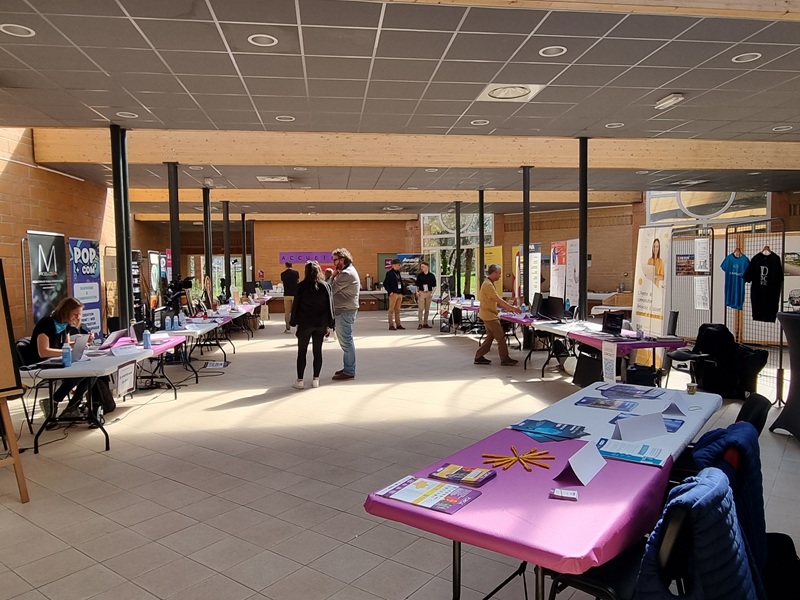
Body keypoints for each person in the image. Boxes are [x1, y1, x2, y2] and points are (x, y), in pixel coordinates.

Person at [28, 297, 94, 420]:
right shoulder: (46, 324)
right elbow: (43, 351)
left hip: (57, 359)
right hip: (42, 362)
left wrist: (82, 342)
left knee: (91, 373)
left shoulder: (65, 325)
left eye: (79, 314)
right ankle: (54, 400)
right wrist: (66, 352)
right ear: (65, 311)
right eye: (75, 314)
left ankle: (72, 407)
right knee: (81, 373)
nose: (77, 317)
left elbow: (66, 346)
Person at [289, 261, 335, 389]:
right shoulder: (326, 286)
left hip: (305, 324)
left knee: (302, 352)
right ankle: (316, 379)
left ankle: (300, 380)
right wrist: (330, 324)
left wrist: (293, 321)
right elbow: (330, 307)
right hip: (320, 324)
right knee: (317, 351)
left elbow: (296, 306)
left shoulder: (301, 286)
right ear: (319, 271)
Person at [474, 264, 521, 366]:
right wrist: (512, 308)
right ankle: (505, 359)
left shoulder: (488, 283)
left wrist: (506, 307)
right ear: (494, 273)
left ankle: (478, 356)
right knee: (500, 337)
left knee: (490, 336)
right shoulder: (488, 285)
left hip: (488, 314)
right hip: (489, 316)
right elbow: (498, 300)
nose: (500, 276)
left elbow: (494, 300)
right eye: (499, 273)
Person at [330, 248, 359, 380]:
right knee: (345, 341)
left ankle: (349, 371)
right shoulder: (347, 272)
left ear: (342, 259)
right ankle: (348, 367)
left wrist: (332, 276)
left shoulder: (346, 274)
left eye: (335, 259)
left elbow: (330, 289)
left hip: (345, 311)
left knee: (346, 342)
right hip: (344, 310)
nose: (333, 262)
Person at [383, 258, 405, 330]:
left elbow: (400, 283)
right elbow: (385, 283)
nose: (400, 266)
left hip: (399, 293)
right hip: (393, 294)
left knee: (398, 310)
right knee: (391, 310)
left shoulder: (398, 273)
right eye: (399, 265)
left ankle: (398, 324)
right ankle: (391, 324)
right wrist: (390, 292)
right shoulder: (389, 273)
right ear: (394, 265)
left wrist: (402, 292)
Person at [415, 261, 437, 329]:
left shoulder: (432, 276)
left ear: (427, 267)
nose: (422, 268)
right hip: (421, 292)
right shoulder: (420, 276)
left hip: (428, 293)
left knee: (427, 309)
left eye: (423, 266)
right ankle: (420, 323)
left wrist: (432, 293)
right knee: (421, 308)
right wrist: (417, 292)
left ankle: (425, 323)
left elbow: (435, 286)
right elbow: (417, 285)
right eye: (421, 267)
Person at [281, 261, 300, 334]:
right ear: (292, 265)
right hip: (295, 294)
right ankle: (298, 328)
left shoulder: (283, 274)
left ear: (285, 265)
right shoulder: (296, 273)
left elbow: (284, 283)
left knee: (287, 313)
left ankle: (288, 329)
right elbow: (298, 282)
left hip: (286, 294)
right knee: (297, 311)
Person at [324, 268, 337, 342]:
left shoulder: (325, 282)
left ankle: (326, 333)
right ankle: (335, 331)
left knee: (326, 318)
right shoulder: (334, 280)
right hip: (334, 301)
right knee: (333, 316)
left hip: (326, 302)